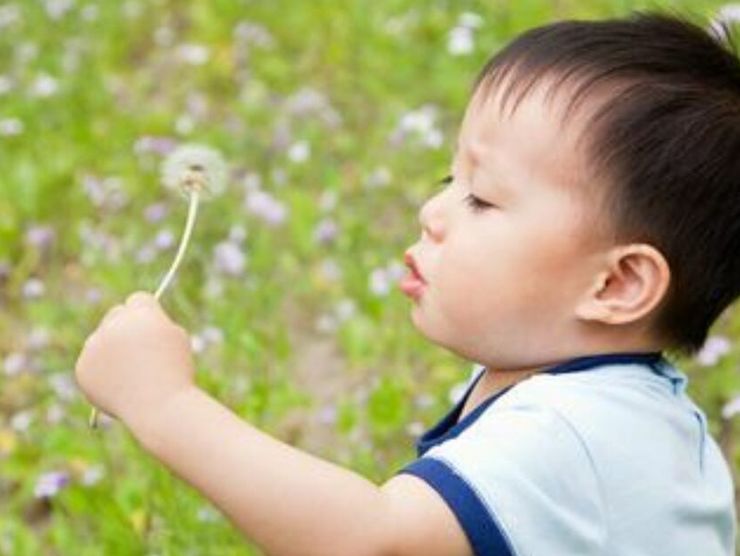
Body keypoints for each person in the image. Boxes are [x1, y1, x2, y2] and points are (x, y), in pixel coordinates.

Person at [74, 10, 739, 556]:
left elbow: (371, 541)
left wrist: (163, 403)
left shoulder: (576, 433)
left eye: (482, 198)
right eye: (449, 181)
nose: (433, 211)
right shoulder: (601, 403)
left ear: (618, 284)